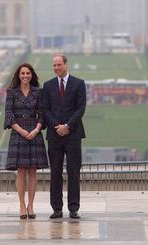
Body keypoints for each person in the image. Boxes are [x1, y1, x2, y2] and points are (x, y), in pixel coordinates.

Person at [41, 53, 87, 220]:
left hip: (73, 134)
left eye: (58, 65)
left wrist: (67, 126)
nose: (56, 68)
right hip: (54, 136)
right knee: (55, 172)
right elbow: (45, 109)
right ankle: (57, 208)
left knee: (73, 172)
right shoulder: (47, 85)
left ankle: (73, 208)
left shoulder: (79, 84)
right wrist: (57, 127)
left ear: (66, 64)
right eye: (54, 65)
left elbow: (80, 109)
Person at [4, 62, 48, 219]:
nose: (25, 76)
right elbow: (8, 114)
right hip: (18, 131)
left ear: (32, 75)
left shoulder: (38, 92)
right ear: (18, 75)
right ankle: (22, 206)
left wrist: (36, 130)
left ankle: (31, 206)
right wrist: (21, 130)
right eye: (22, 73)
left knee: (33, 171)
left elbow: (42, 114)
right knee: (21, 171)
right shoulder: (11, 92)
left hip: (34, 131)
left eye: (28, 73)